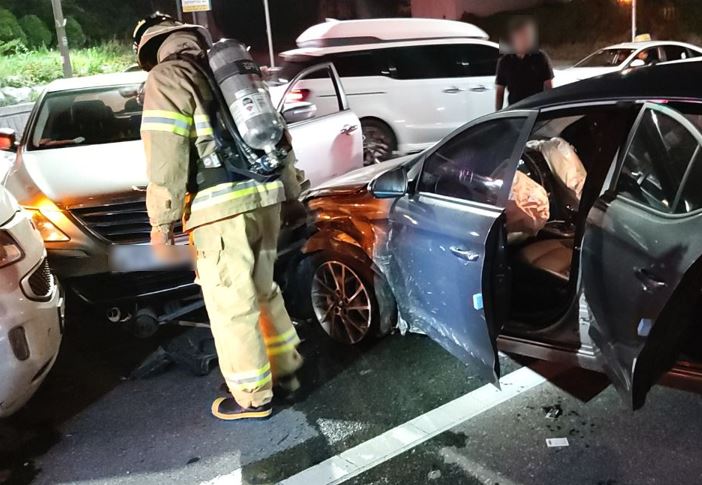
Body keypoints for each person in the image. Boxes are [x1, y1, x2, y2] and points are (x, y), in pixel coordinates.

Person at [133, 13, 303, 421]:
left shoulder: (167, 77)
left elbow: (166, 158)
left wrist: (161, 224)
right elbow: (277, 135)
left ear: (151, 49)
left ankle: (252, 396)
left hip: (219, 210)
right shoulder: (230, 69)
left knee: (232, 306)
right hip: (265, 199)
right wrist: (292, 192)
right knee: (265, 292)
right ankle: (287, 374)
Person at [495, 17, 554, 110]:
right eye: (520, 35)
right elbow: (500, 92)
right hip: (515, 110)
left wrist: (549, 109)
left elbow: (548, 86)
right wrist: (498, 113)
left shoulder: (540, 57)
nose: (524, 39)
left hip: (537, 109)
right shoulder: (505, 61)